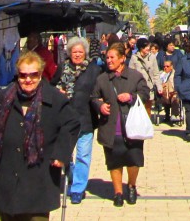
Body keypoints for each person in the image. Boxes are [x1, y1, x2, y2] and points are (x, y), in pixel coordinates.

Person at [0, 50, 78, 221]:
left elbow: (71, 124)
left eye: (33, 75)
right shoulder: (3, 97)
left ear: (41, 74)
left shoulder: (55, 98)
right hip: (9, 168)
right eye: (23, 75)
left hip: (40, 170)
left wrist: (61, 154)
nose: (28, 80)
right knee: (9, 219)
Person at [92, 42, 151, 206]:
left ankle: (131, 185)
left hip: (132, 127)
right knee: (114, 161)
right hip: (111, 128)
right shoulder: (102, 79)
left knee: (133, 160)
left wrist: (131, 97)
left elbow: (145, 92)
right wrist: (100, 105)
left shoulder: (135, 76)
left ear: (122, 59)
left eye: (112, 57)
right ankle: (117, 192)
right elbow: (93, 97)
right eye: (107, 57)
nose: (108, 60)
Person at [56, 36, 103, 204]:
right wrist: (57, 92)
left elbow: (100, 90)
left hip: (86, 119)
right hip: (65, 120)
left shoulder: (94, 70)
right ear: (69, 52)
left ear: (85, 53)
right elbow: (51, 85)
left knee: (83, 155)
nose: (77, 55)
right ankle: (71, 176)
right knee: (66, 154)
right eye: (74, 52)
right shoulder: (62, 68)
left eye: (80, 52)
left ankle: (78, 188)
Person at [128, 37, 162, 102]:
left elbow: (156, 73)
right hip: (138, 88)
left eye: (148, 46)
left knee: (148, 109)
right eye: (146, 46)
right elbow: (130, 74)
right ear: (141, 47)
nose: (148, 48)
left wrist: (159, 86)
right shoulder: (134, 57)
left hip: (149, 88)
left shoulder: (152, 57)